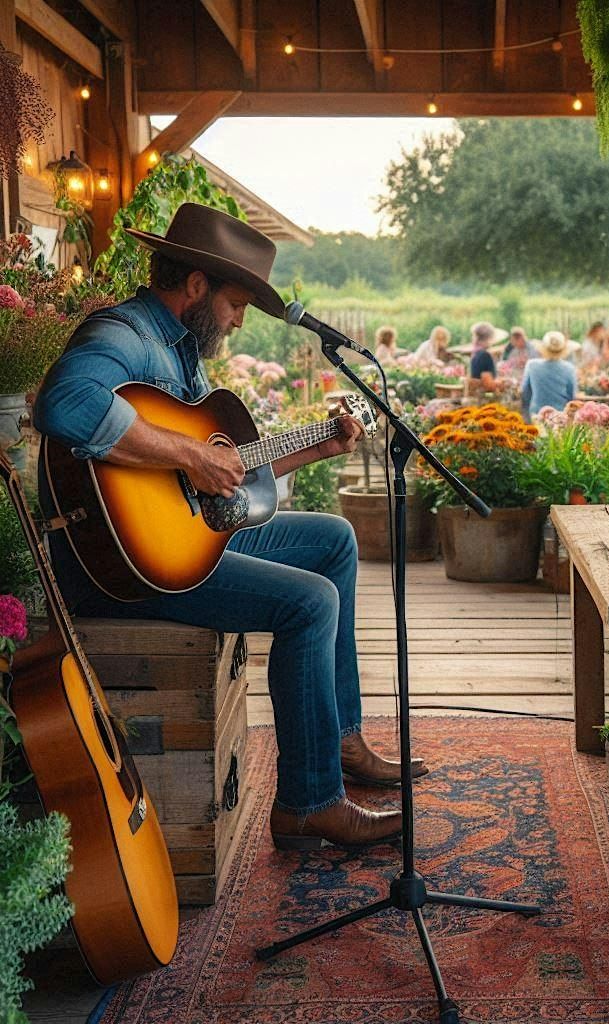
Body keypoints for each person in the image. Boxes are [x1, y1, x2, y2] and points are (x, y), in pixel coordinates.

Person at [32, 204, 424, 852]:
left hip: (173, 542)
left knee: (334, 540)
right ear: (196, 287)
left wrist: (318, 446)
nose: (240, 322)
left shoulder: (183, 354)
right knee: (309, 602)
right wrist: (189, 453)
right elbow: (66, 403)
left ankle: (340, 737)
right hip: (118, 570)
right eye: (237, 305)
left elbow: (223, 475)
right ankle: (308, 804)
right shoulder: (126, 334)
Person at [521, 331, 579, 420]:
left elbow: (525, 392)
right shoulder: (569, 368)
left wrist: (526, 415)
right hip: (560, 416)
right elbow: (572, 396)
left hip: (536, 414)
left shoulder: (532, 365)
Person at [468, 320, 507, 391]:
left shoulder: (475, 353)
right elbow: (488, 385)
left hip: (476, 395)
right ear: (489, 338)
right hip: (485, 398)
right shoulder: (485, 356)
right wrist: (504, 383)